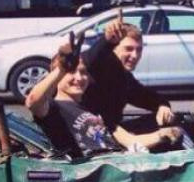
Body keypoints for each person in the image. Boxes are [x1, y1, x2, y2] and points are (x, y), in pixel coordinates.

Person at [26, 37, 182, 157]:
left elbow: (130, 141)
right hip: (91, 176)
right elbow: (33, 101)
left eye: (83, 72)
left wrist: (163, 135)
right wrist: (61, 69)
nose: (79, 78)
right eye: (71, 72)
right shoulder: (54, 109)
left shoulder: (94, 109)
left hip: (119, 164)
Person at [82, 17, 175, 133]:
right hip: (88, 134)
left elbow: (146, 97)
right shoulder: (98, 66)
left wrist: (163, 106)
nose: (135, 55)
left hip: (113, 132)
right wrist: (106, 41)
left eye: (139, 50)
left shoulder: (124, 77)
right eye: (128, 49)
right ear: (114, 48)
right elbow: (88, 60)